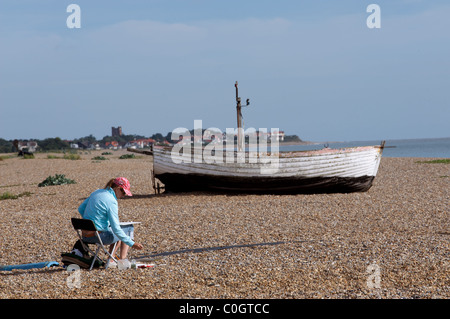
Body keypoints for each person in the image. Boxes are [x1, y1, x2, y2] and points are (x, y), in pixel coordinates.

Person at [76, 177, 143, 264]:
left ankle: (112, 258)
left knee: (118, 231)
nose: (123, 196)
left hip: (85, 236)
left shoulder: (97, 192)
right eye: (123, 192)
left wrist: (90, 221)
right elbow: (116, 229)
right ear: (117, 189)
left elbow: (81, 209)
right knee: (128, 227)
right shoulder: (111, 201)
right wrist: (132, 243)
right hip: (99, 237)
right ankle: (121, 259)